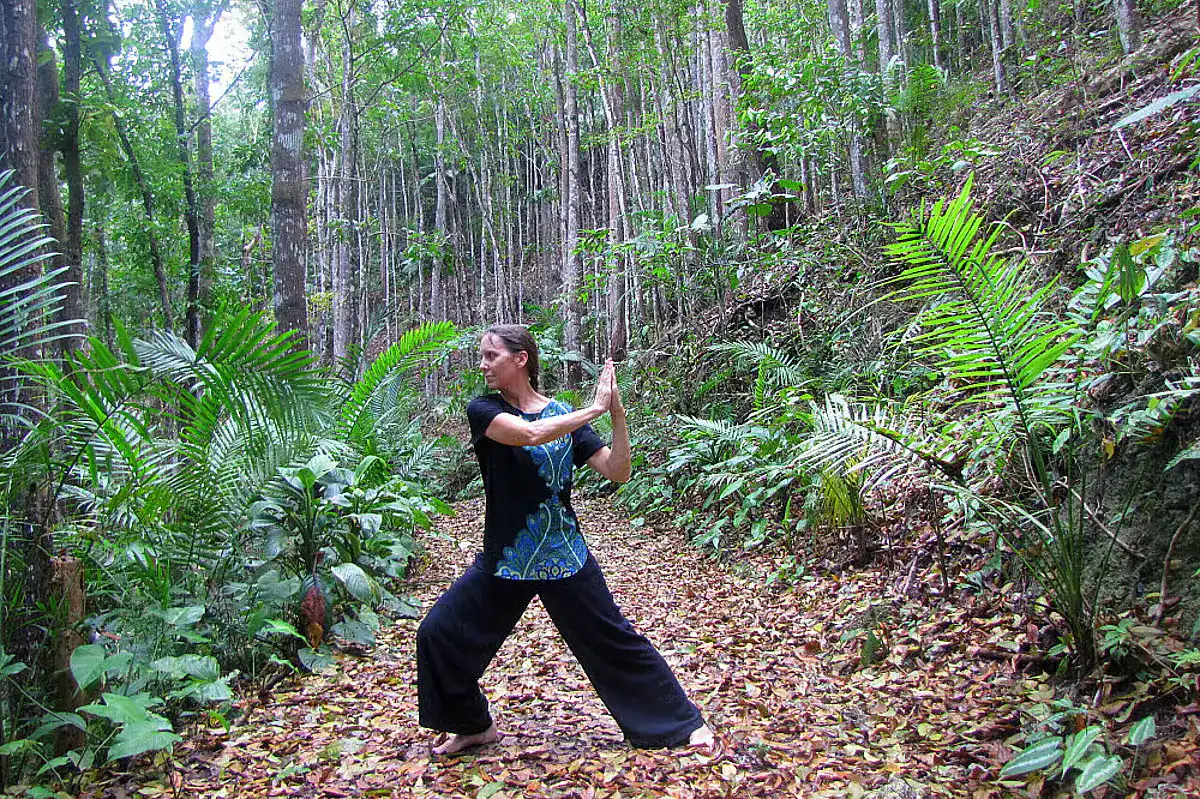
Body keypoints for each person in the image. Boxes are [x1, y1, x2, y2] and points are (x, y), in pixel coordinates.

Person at [416, 324, 714, 755]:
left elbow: (617, 471)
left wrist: (615, 412)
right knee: (438, 633)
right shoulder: (483, 409)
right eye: (481, 356)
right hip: (508, 556)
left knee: (614, 640)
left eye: (490, 356)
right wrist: (591, 409)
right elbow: (529, 433)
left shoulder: (562, 414)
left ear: (520, 359)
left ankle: (680, 725)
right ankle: (472, 724)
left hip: (564, 554)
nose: (482, 365)